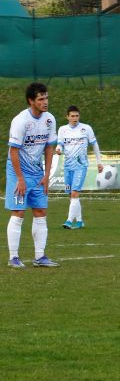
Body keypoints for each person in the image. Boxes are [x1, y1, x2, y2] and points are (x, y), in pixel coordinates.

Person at [5, 82, 59, 268]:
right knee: (19, 213)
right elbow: (13, 152)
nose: (45, 102)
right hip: (18, 172)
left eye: (46, 98)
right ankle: (13, 257)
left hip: (37, 173)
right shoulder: (20, 121)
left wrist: (47, 174)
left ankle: (40, 257)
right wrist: (20, 179)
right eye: (41, 99)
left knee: (40, 211)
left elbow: (49, 147)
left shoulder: (49, 120)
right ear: (31, 101)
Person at [56, 105, 103, 229]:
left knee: (75, 193)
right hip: (67, 166)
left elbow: (95, 145)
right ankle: (80, 221)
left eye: (76, 116)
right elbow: (60, 144)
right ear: (67, 117)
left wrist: (99, 162)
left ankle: (69, 220)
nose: (75, 118)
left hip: (81, 166)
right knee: (71, 194)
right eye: (72, 116)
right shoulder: (62, 129)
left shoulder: (86, 128)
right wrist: (58, 149)